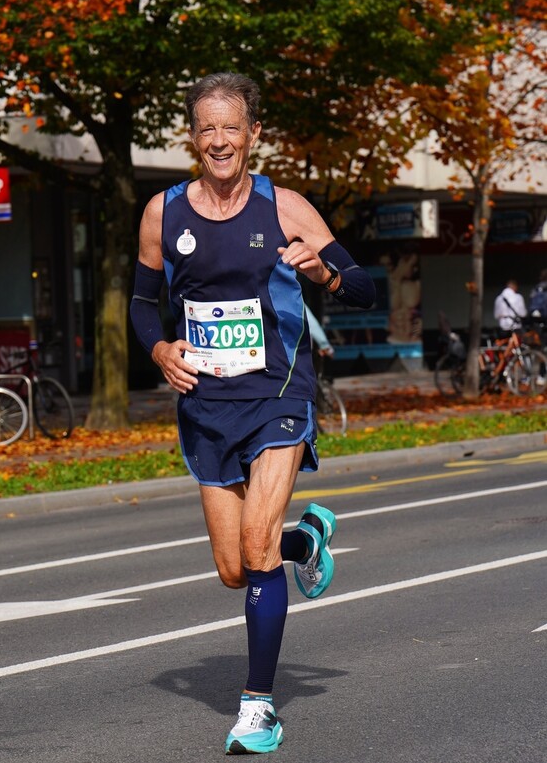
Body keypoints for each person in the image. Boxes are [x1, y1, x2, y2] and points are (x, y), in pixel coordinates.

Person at [129, 72, 375, 755]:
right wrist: (159, 348)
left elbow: (362, 284)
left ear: (253, 134)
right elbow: (142, 303)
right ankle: (307, 542)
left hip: (278, 394)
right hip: (207, 404)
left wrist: (322, 269)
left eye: (230, 127)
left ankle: (259, 706)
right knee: (235, 567)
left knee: (257, 541)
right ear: (192, 137)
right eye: (206, 128)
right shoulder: (163, 213)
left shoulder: (285, 207)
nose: (219, 140)